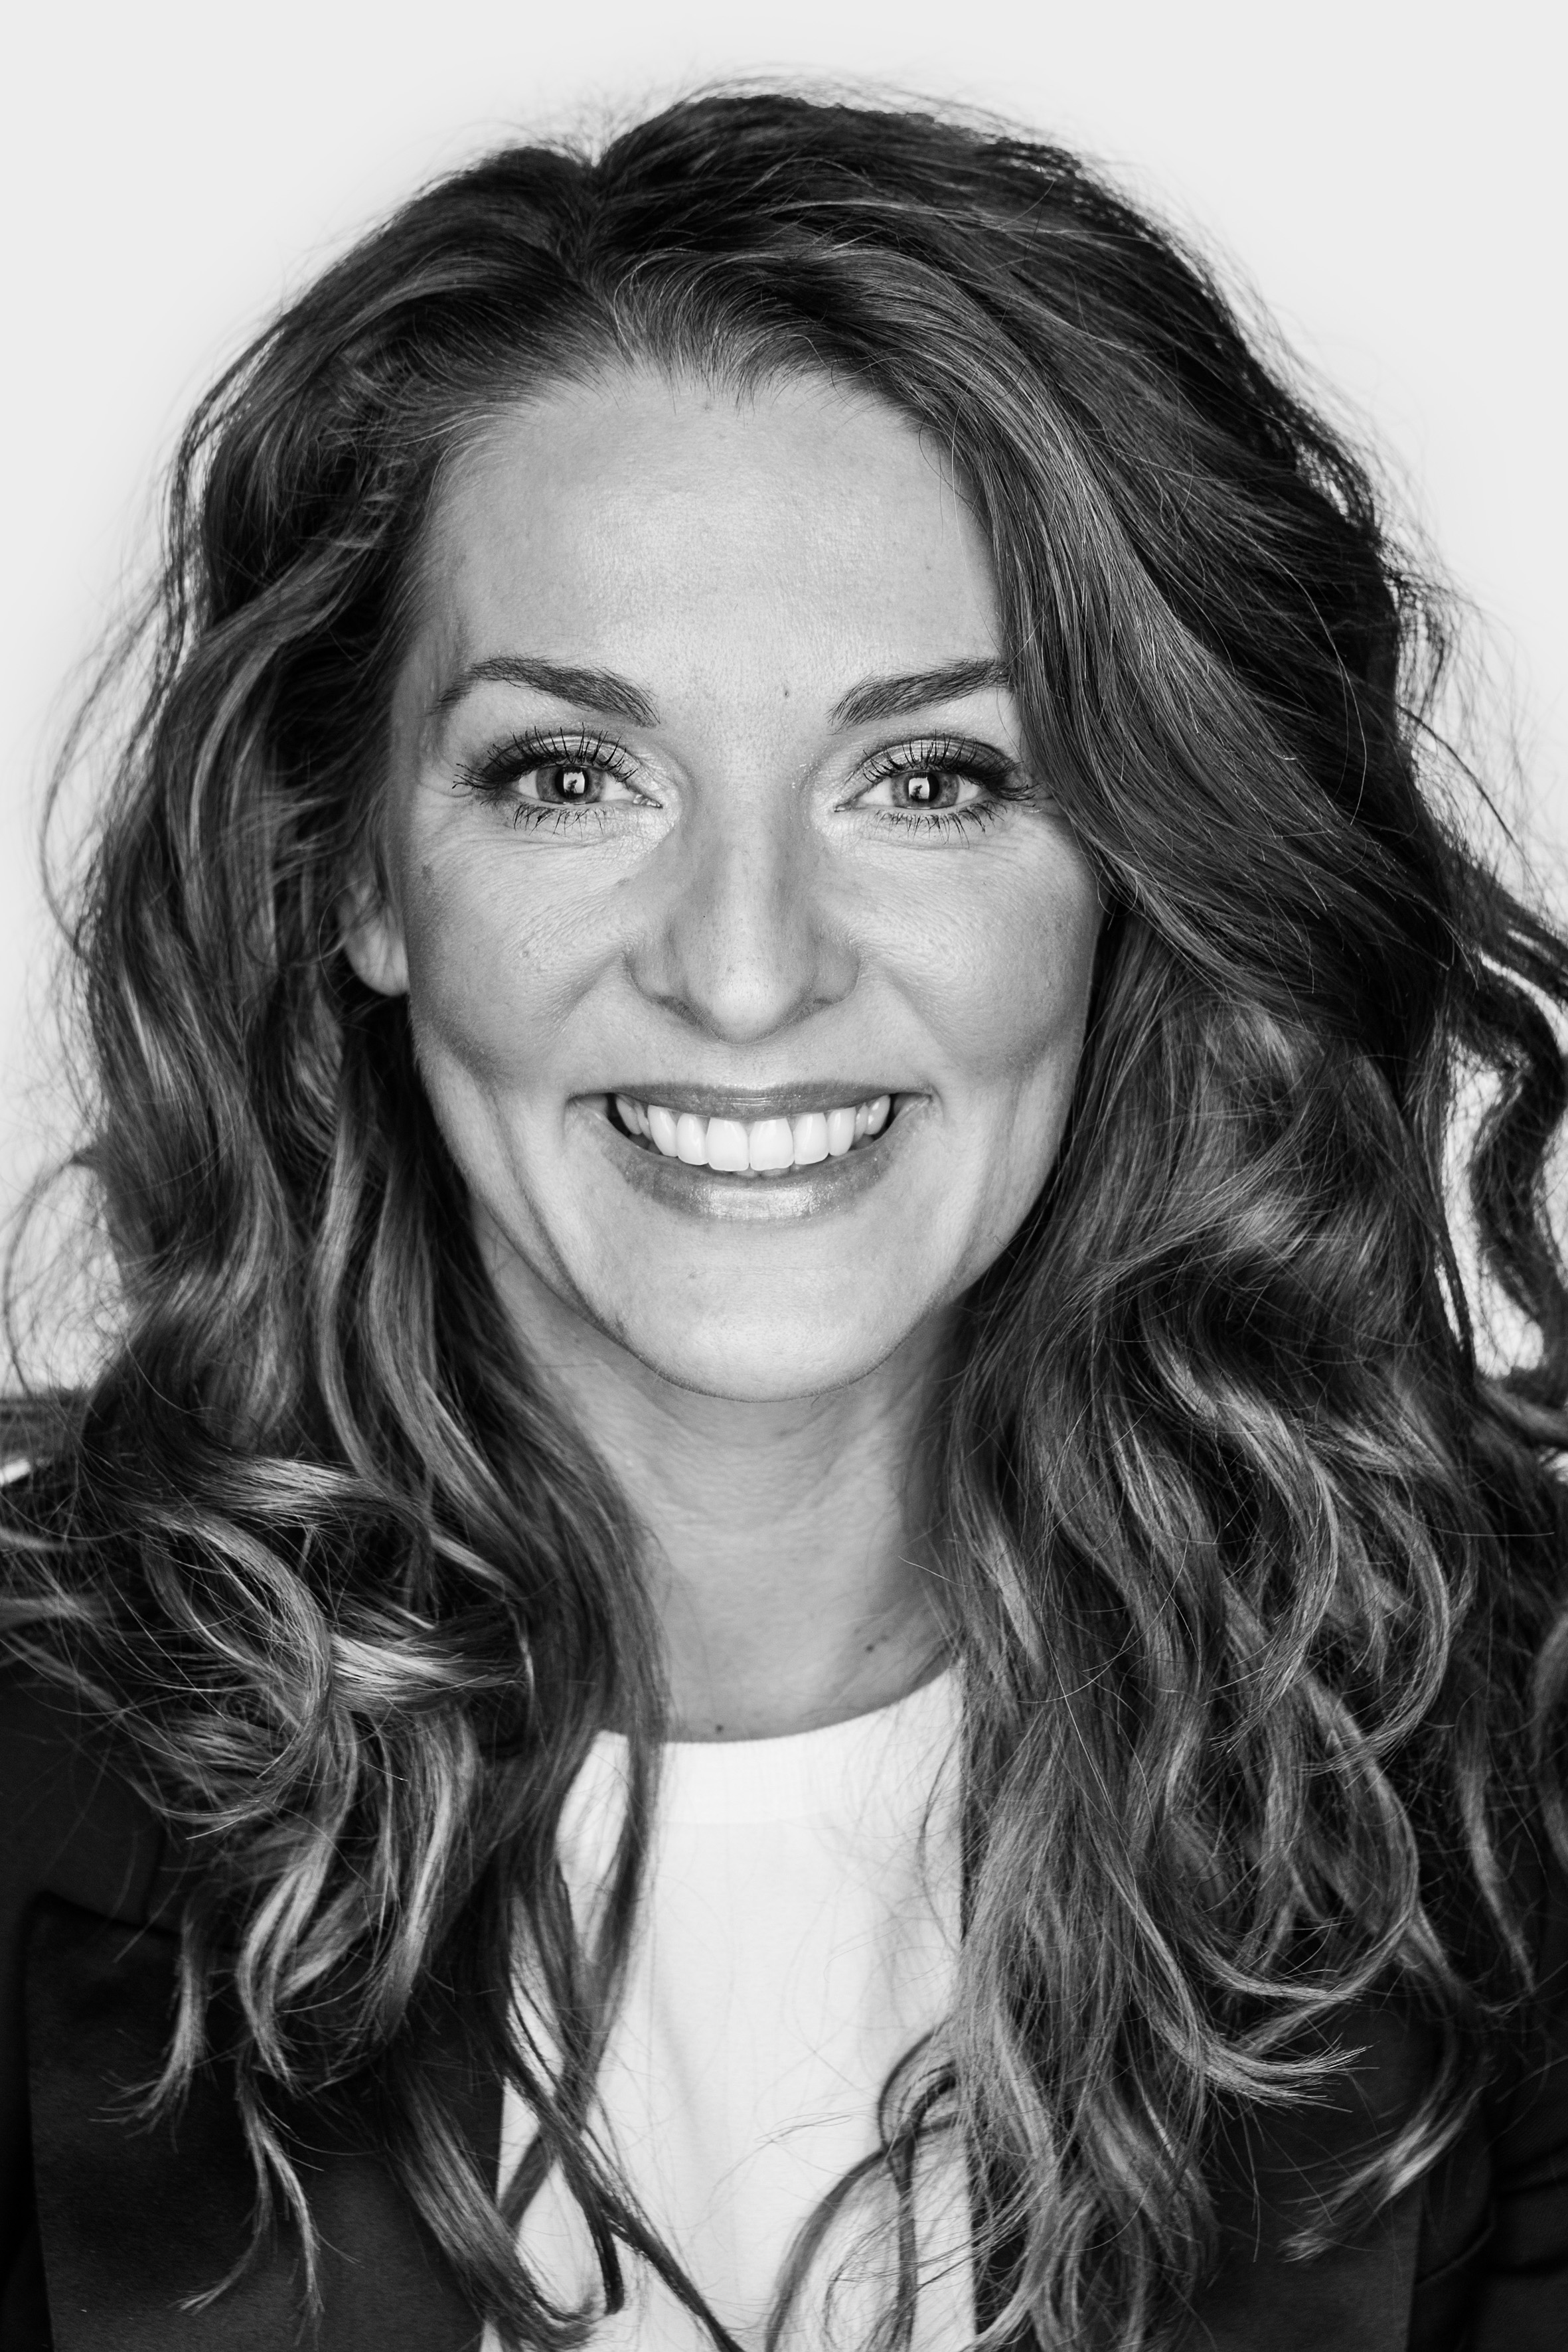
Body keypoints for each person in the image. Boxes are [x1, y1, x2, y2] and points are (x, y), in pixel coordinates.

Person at [1, 84, 1565, 2352]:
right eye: (569, 774)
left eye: (930, 778)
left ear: (1137, 867)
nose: (744, 974)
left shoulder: (1504, 1770)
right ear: (353, 876)